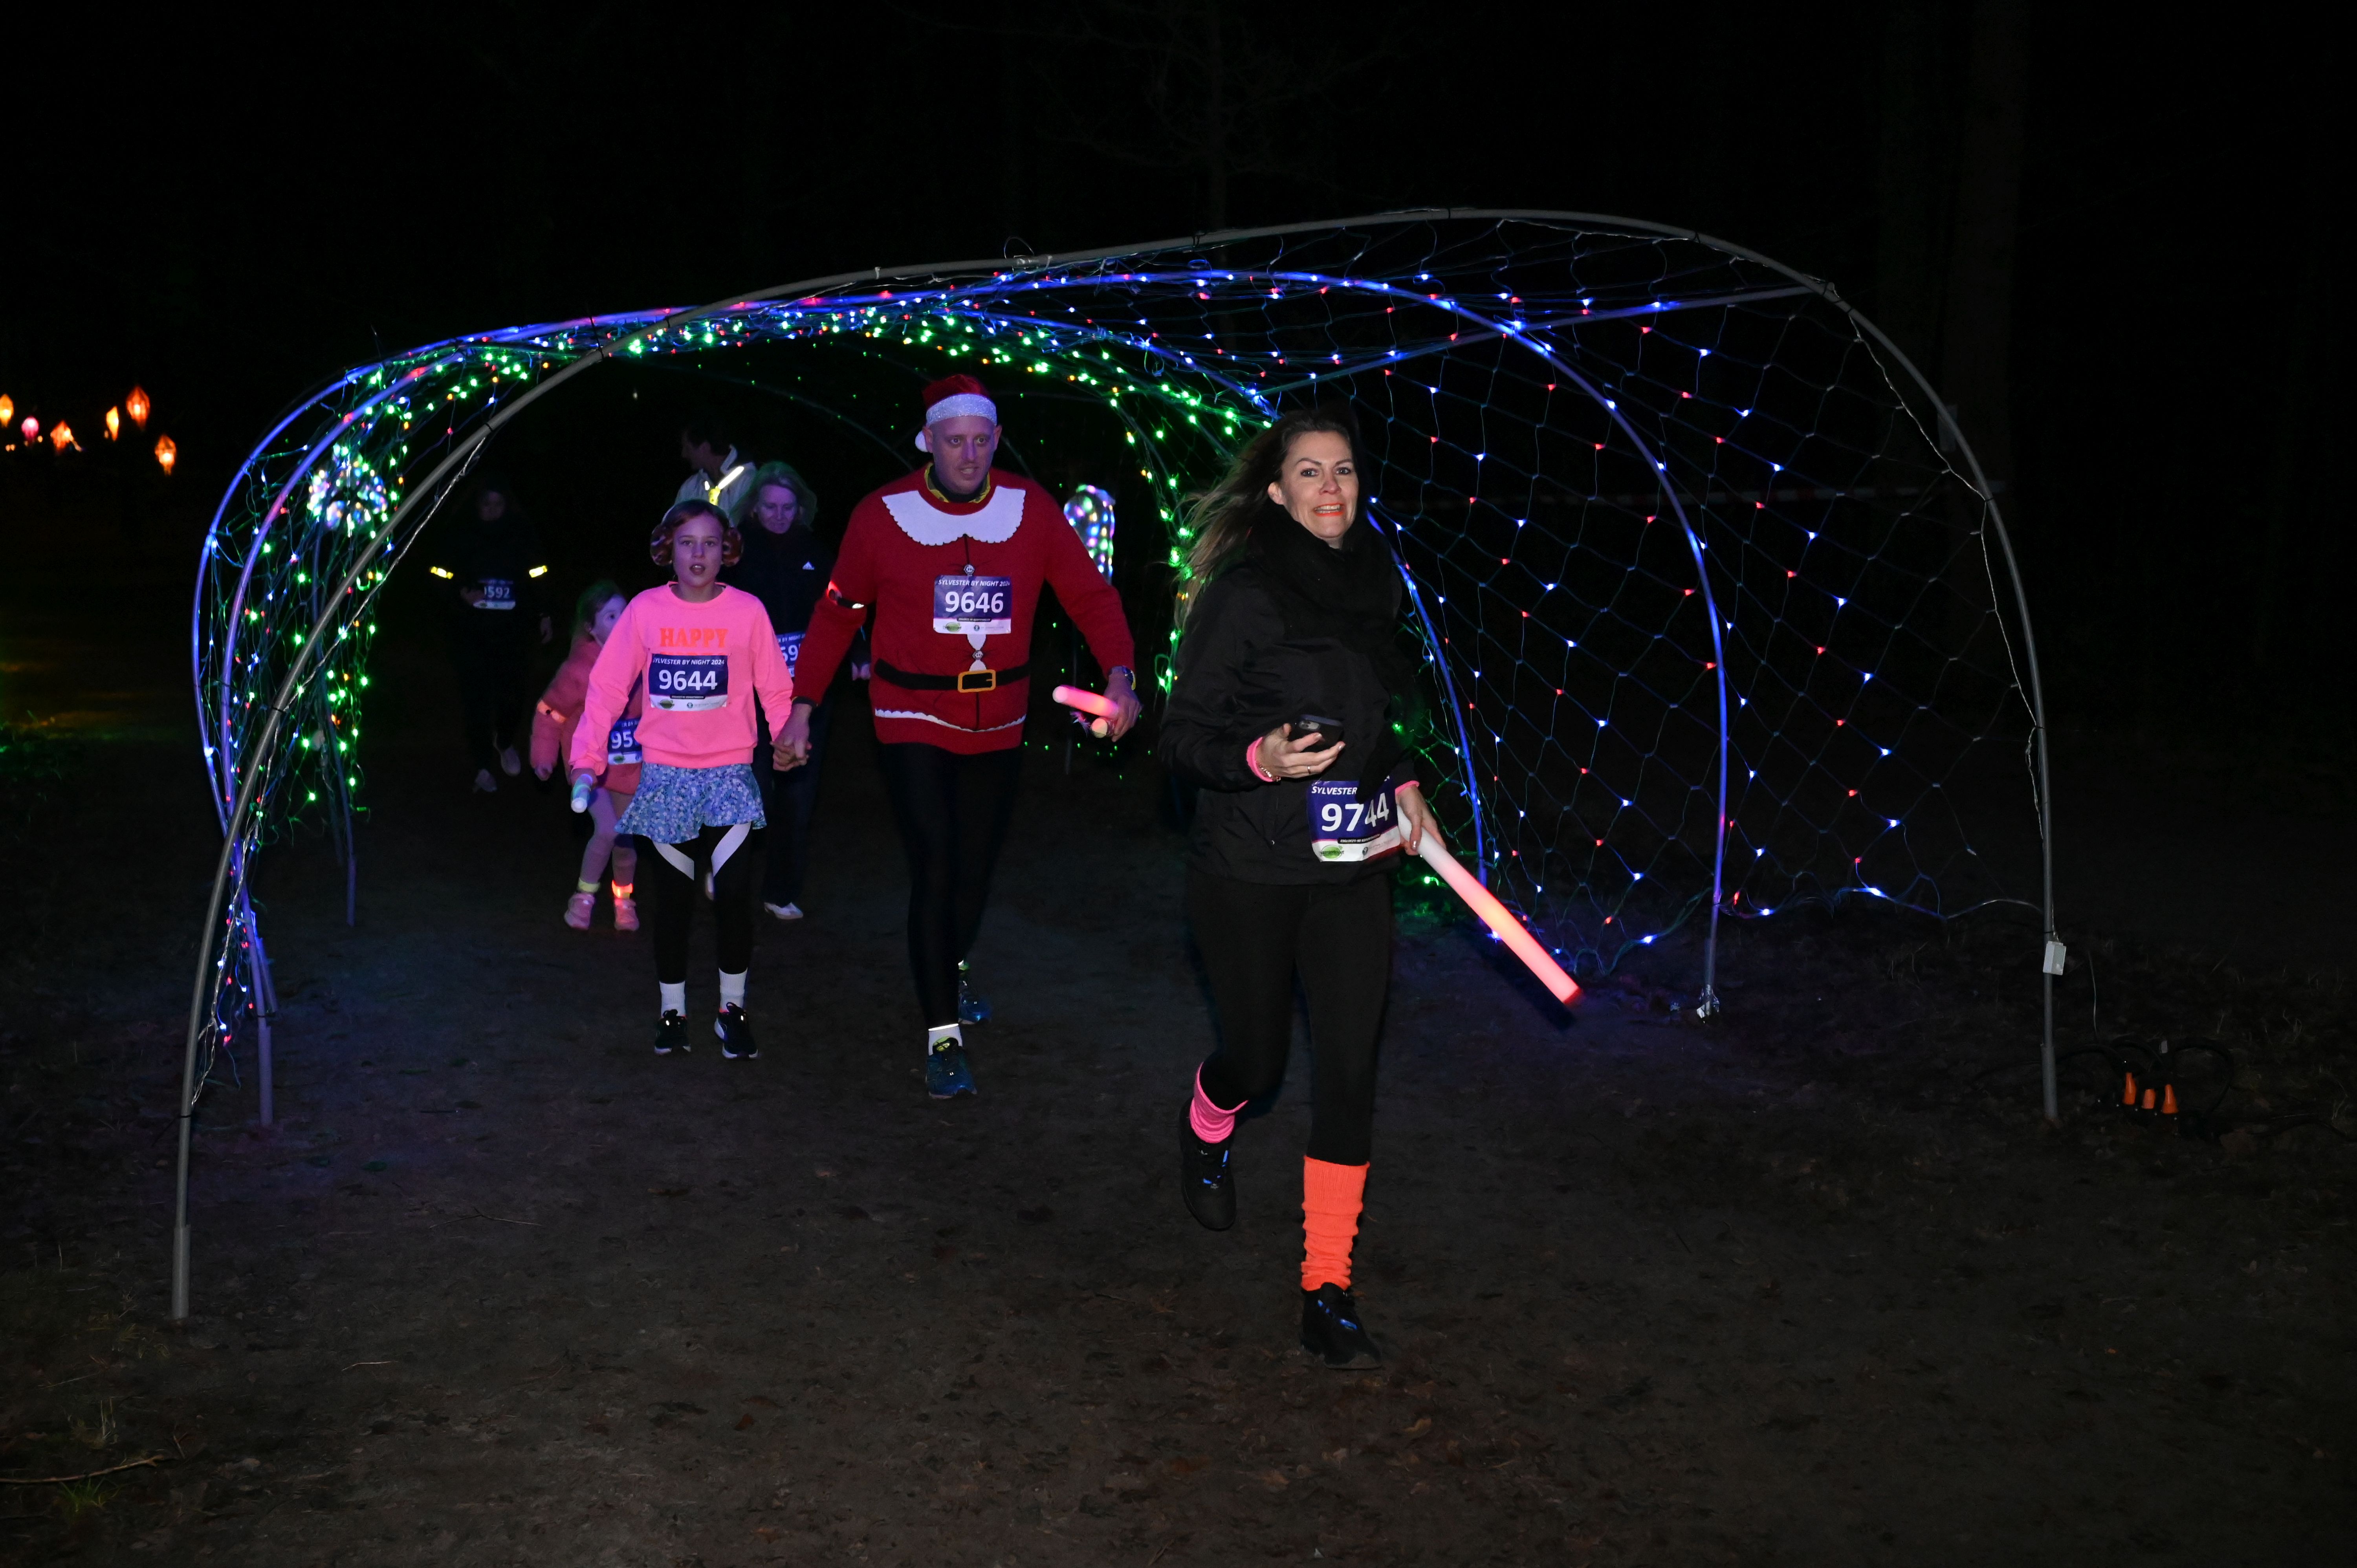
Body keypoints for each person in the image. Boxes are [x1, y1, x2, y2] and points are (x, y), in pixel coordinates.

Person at [1155, 406, 1441, 1370]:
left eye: (1344, 470)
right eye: (1310, 471)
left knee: (1350, 1072)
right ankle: (1209, 1119)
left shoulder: (1375, 583)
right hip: (1248, 867)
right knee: (1259, 1061)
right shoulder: (1244, 595)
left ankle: (1327, 1287)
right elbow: (1181, 737)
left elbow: (1377, 720)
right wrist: (1259, 758)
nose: (1330, 487)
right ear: (1276, 492)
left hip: (1352, 865)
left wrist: (1405, 782)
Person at [784, 375, 1140, 1099]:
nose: (970, 455)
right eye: (955, 441)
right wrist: (802, 705)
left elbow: (1090, 595)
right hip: (910, 714)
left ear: (997, 439)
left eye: (982, 441)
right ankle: (942, 1036)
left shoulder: (1031, 510)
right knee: (939, 862)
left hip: (1000, 719)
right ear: (929, 441)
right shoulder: (881, 515)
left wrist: (1122, 675)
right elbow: (837, 614)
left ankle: (953, 961)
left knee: (974, 870)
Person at [570, 500, 799, 1058]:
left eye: (710, 543)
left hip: (730, 776)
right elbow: (606, 689)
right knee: (674, 903)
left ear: (727, 551)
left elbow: (775, 688)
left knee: (734, 896)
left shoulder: (748, 612)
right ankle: (672, 1013)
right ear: (667, 549)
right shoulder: (645, 611)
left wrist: (787, 736)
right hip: (667, 778)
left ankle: (732, 1012)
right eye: (688, 542)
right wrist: (587, 759)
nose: (699, 554)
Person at [722, 461, 867, 920]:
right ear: (755, 507)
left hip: (808, 693)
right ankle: (725, 873)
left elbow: (843, 606)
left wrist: (858, 652)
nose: (779, 515)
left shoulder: (817, 553)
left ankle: (780, 890)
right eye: (770, 506)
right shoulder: (735, 553)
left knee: (797, 795)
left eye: (788, 507)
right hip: (749, 694)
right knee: (750, 790)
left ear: (801, 508)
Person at [532, 581, 644, 932]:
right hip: (589, 769)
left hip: (628, 767)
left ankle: (624, 900)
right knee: (608, 830)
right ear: (591, 628)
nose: (621, 621)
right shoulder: (579, 671)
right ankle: (584, 897)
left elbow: (660, 711)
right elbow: (551, 711)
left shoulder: (645, 663)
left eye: (625, 613)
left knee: (625, 838)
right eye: (611, 616)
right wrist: (543, 755)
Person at [430, 476, 552, 791]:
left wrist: (543, 614)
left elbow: (538, 573)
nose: (493, 510)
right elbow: (439, 573)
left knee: (513, 694)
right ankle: (482, 765)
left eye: (499, 504)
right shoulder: (461, 533)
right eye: (487, 504)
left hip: (513, 632)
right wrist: (460, 592)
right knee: (476, 698)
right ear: (477, 505)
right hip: (471, 632)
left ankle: (505, 741)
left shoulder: (521, 533)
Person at [677, 408, 753, 518]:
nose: (684, 454)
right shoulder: (691, 487)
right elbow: (674, 525)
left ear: (704, 448)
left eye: (688, 448)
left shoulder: (750, 483)